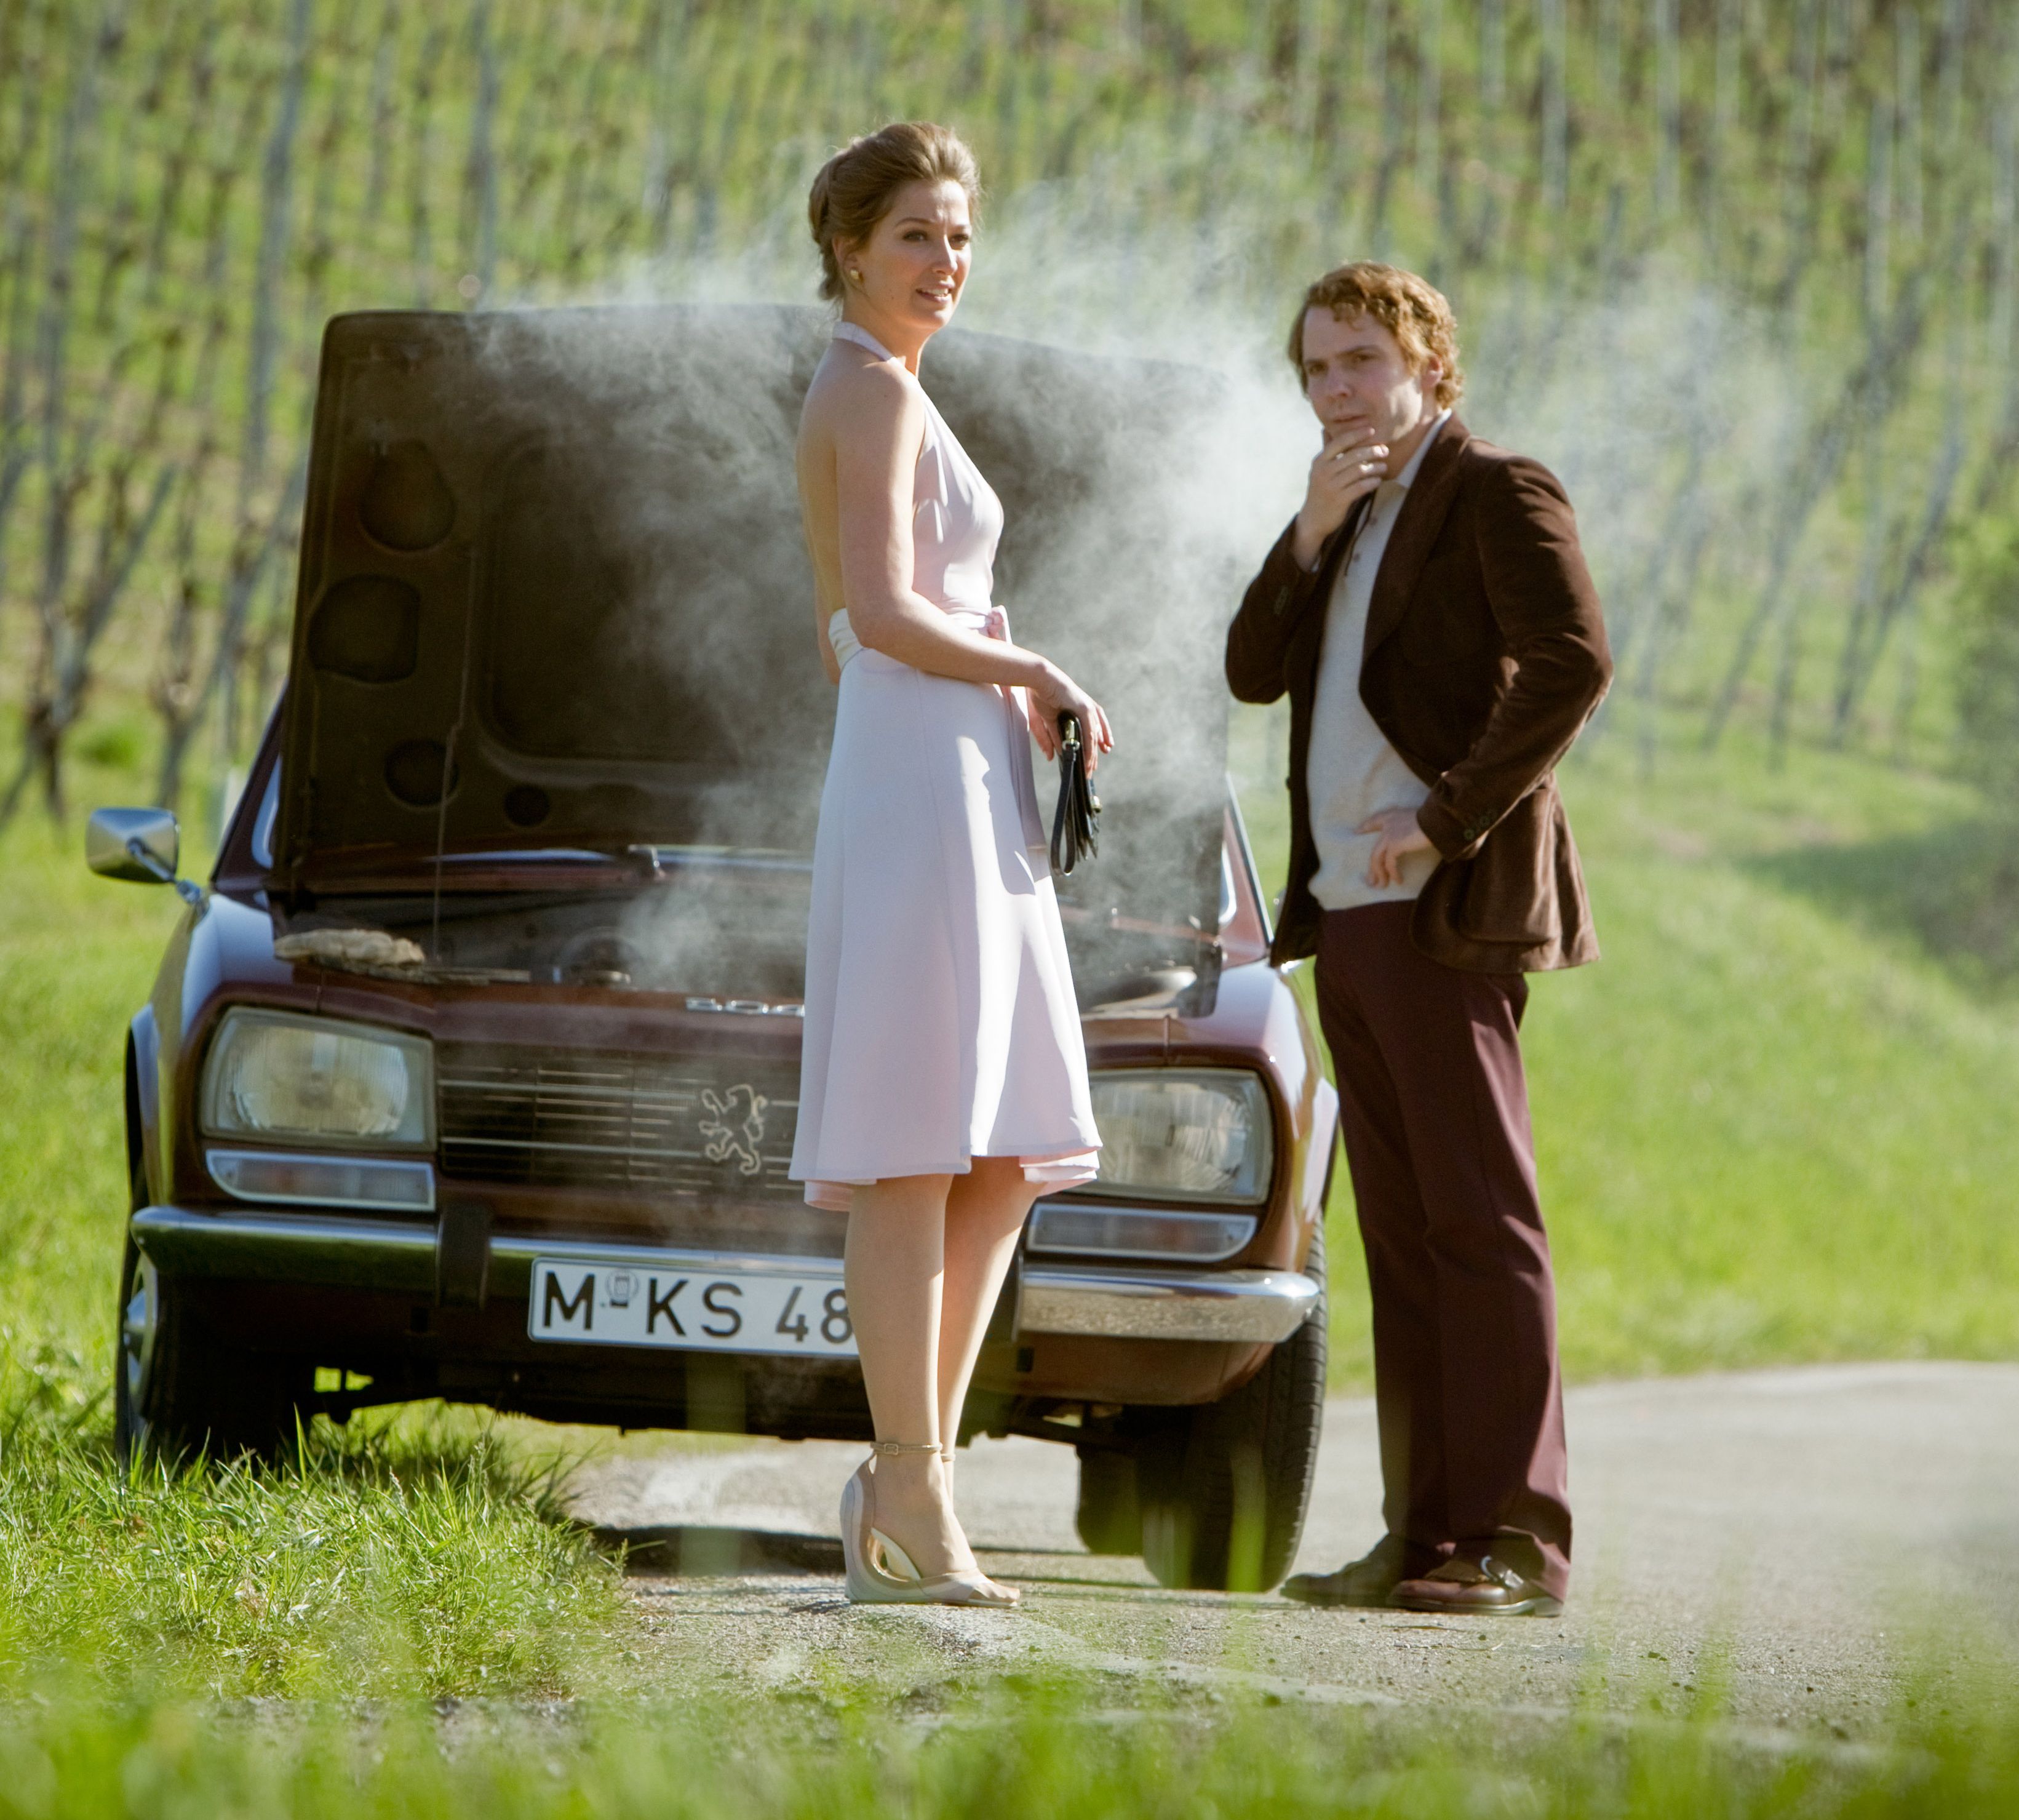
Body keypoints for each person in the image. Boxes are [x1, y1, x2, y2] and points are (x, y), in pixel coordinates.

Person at [1225, 262, 1610, 1617]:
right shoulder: (1346, 512)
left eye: (1363, 363)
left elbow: (1573, 661)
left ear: (1431, 365)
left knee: (1482, 1222)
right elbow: (1250, 669)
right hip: (1351, 914)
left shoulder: (1496, 487)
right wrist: (1308, 532)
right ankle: (1429, 1537)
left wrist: (1451, 821)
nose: (1339, 390)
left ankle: (1522, 1540)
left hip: (1444, 907)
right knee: (1401, 1233)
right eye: (1318, 369)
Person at [790, 122, 1112, 1608]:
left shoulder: (896, 390)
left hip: (947, 767)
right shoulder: (868, 390)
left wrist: (994, 710)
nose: (947, 262)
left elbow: (844, 630)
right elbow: (880, 608)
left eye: (963, 236)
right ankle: (909, 1485)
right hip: (924, 769)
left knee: (996, 1150)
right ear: (850, 248)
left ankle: (912, 1480)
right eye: (918, 234)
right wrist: (1029, 664)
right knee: (921, 1141)